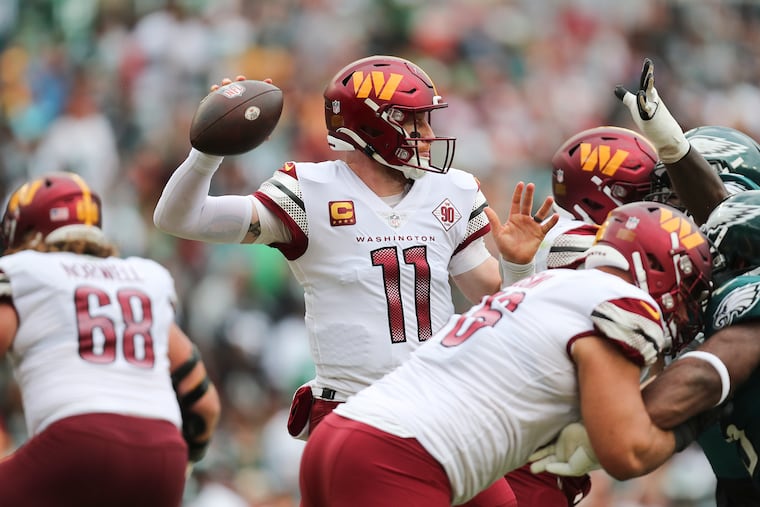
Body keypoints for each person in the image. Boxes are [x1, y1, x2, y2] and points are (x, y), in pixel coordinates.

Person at [154, 55, 558, 507]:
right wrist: (207, 151)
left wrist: (520, 268)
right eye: (415, 123)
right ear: (374, 127)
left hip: (441, 404)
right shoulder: (309, 191)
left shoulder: (452, 191)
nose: (428, 136)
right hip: (356, 411)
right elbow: (180, 217)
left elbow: (491, 299)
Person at [298, 200, 714, 507]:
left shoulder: (543, 286)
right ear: (660, 267)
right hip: (399, 456)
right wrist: (700, 417)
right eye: (689, 286)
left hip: (350, 435)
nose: (685, 306)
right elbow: (627, 452)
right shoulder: (621, 301)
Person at [532, 57, 760, 507]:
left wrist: (613, 433)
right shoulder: (700, 275)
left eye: (671, 194)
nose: (662, 211)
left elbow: (706, 375)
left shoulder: (739, 277)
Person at [0, 172, 221, 507]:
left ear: (27, 233)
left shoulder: (25, 269)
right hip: (163, 456)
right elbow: (204, 403)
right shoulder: (145, 277)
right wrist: (178, 468)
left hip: (77, 443)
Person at [495, 124, 659, 507]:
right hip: (529, 443)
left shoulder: (559, 238)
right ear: (608, 195)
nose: (660, 203)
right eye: (647, 192)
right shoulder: (584, 246)